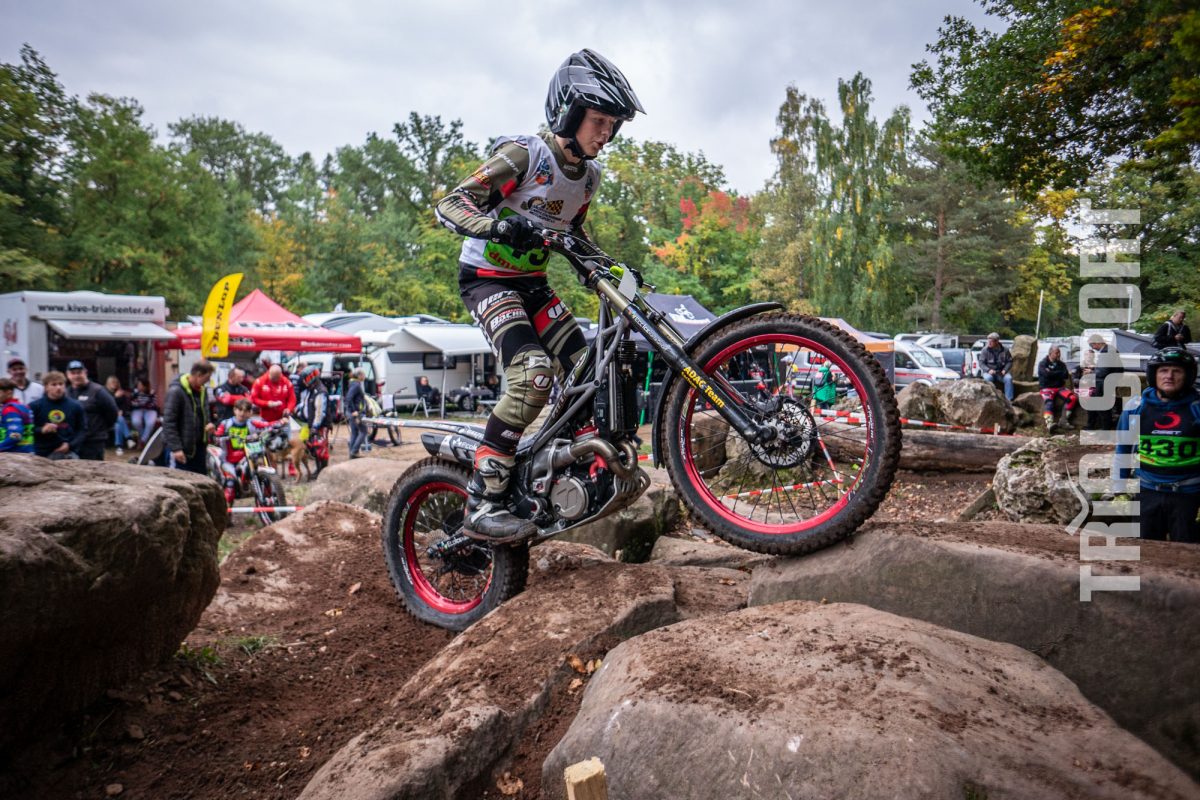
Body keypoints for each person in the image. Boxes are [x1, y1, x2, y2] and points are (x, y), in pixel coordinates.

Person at [434, 48, 643, 542]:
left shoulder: (588, 177)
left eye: (613, 125)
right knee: (533, 376)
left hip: (532, 285)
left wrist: (614, 270)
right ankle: (484, 501)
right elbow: (451, 204)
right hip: (487, 280)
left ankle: (570, 467)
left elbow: (576, 237)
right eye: (598, 121)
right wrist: (498, 227)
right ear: (568, 113)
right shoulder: (525, 155)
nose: (606, 134)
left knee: (589, 370)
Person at [1114, 347, 1200, 543]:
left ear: (1188, 376)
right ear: (1154, 374)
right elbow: (1123, 449)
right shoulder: (1136, 407)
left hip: (1188, 495)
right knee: (1146, 551)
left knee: (1187, 553)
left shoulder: (1197, 408)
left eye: (1176, 371)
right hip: (1146, 492)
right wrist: (1118, 488)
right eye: (1163, 370)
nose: (1169, 376)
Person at [213, 398, 270, 505]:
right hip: (229, 460)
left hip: (247, 457)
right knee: (230, 485)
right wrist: (219, 436)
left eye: (246, 411)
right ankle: (226, 512)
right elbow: (217, 435)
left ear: (250, 412)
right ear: (234, 410)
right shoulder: (226, 424)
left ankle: (266, 495)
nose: (242, 413)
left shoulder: (251, 423)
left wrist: (279, 423)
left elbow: (265, 425)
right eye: (240, 410)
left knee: (260, 467)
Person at [163, 361, 216, 474]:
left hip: (199, 448)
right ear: (198, 375)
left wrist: (209, 423)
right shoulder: (176, 391)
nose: (208, 381)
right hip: (182, 450)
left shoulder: (202, 391)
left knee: (200, 480)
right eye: (207, 378)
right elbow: (168, 423)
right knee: (179, 480)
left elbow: (205, 414)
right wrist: (176, 449)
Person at [66, 361, 119, 461]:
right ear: (68, 375)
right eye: (73, 373)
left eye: (79, 372)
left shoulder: (98, 391)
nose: (76, 376)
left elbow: (113, 412)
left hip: (93, 441)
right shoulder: (66, 393)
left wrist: (101, 429)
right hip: (73, 441)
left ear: (85, 372)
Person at [29, 371, 85, 459]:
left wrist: (70, 445)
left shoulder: (75, 406)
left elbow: (82, 430)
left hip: (67, 452)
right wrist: (42, 429)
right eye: (54, 385)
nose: (58, 387)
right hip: (41, 453)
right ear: (46, 387)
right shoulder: (35, 406)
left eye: (61, 384)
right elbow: (27, 429)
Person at [1080, 334, 1120, 431]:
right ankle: (1095, 426)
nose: (1092, 348)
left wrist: (1092, 372)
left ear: (1097, 343)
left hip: (1104, 383)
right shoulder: (1109, 350)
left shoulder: (1107, 352)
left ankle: (1105, 429)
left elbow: (1103, 371)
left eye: (1092, 345)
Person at [1036, 346, 1077, 431]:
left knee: (1072, 398)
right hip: (1047, 388)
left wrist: (1052, 373)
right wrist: (1059, 373)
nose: (1059, 355)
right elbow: (1046, 375)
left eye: (1059, 353)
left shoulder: (1061, 364)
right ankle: (1049, 424)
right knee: (1049, 402)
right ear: (1050, 353)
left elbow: (1065, 375)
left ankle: (1063, 421)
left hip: (1060, 387)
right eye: (1056, 353)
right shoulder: (1043, 363)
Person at [0, 378, 34, 453]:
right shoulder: (22, 406)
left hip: (15, 453)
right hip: (27, 451)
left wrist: (1, 446)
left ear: (9, 393)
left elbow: (15, 436)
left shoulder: (10, 409)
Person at [979, 333, 1014, 402]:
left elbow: (1010, 361)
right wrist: (988, 370)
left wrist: (1005, 370)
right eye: (988, 341)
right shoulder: (985, 350)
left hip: (1001, 373)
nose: (989, 343)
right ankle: (989, 400)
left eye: (991, 341)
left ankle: (1009, 400)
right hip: (989, 372)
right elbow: (981, 363)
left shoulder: (1005, 350)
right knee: (988, 378)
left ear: (997, 341)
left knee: (1009, 378)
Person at [105, 375, 134, 454]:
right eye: (113, 382)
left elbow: (125, 406)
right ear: (108, 383)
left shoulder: (120, 393)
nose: (115, 384)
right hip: (108, 417)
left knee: (118, 425)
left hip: (118, 417)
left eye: (116, 382)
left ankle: (119, 447)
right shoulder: (105, 392)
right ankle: (129, 438)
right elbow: (106, 405)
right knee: (119, 419)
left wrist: (122, 411)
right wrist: (115, 397)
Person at [344, 369, 369, 458]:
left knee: (354, 433)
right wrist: (354, 411)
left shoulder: (353, 383)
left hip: (351, 412)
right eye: (363, 374)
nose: (365, 376)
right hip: (355, 413)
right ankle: (354, 451)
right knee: (363, 431)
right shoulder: (356, 385)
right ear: (359, 375)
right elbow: (349, 398)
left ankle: (352, 454)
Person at [130, 377, 159, 447]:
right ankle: (144, 438)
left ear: (145, 386)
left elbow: (154, 403)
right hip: (138, 410)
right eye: (138, 385)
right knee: (136, 422)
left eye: (140, 385)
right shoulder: (135, 392)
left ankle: (143, 440)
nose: (139, 387)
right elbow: (132, 402)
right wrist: (140, 404)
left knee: (150, 423)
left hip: (150, 410)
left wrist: (146, 402)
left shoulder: (151, 392)